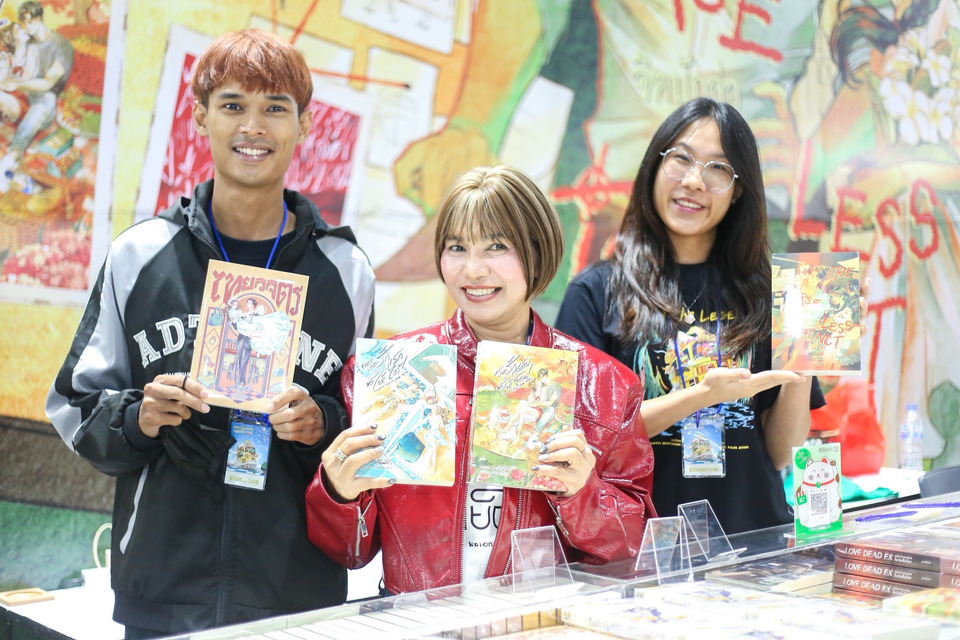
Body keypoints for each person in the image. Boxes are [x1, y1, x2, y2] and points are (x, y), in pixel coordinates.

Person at [45, 29, 375, 639]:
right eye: (232, 105)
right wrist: (140, 417)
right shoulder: (139, 255)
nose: (253, 126)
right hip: (163, 592)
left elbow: (365, 425)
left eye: (274, 107)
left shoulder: (346, 271)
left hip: (297, 596)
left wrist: (322, 422)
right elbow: (74, 405)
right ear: (200, 116)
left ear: (303, 124)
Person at [305, 165, 656, 595]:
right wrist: (340, 494)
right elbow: (349, 552)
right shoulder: (391, 371)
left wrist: (581, 492)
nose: (473, 269)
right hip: (421, 620)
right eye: (457, 247)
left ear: (537, 250)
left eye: (496, 246)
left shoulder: (606, 386)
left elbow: (634, 548)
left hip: (542, 621)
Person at [555, 98, 827, 535]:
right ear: (654, 166)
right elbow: (591, 440)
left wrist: (807, 349)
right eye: (681, 158)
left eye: (718, 168)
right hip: (644, 547)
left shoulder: (775, 292)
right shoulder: (595, 291)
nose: (694, 181)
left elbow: (781, 453)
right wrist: (702, 395)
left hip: (756, 541)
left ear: (739, 189)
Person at [0, 1, 73, 186]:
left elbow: (48, 83)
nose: (26, 26)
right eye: (23, 22)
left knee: (46, 99)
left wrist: (16, 84)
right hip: (19, 97)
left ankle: (12, 157)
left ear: (39, 18)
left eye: (29, 21)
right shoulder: (27, 41)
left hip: (42, 100)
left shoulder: (61, 46)